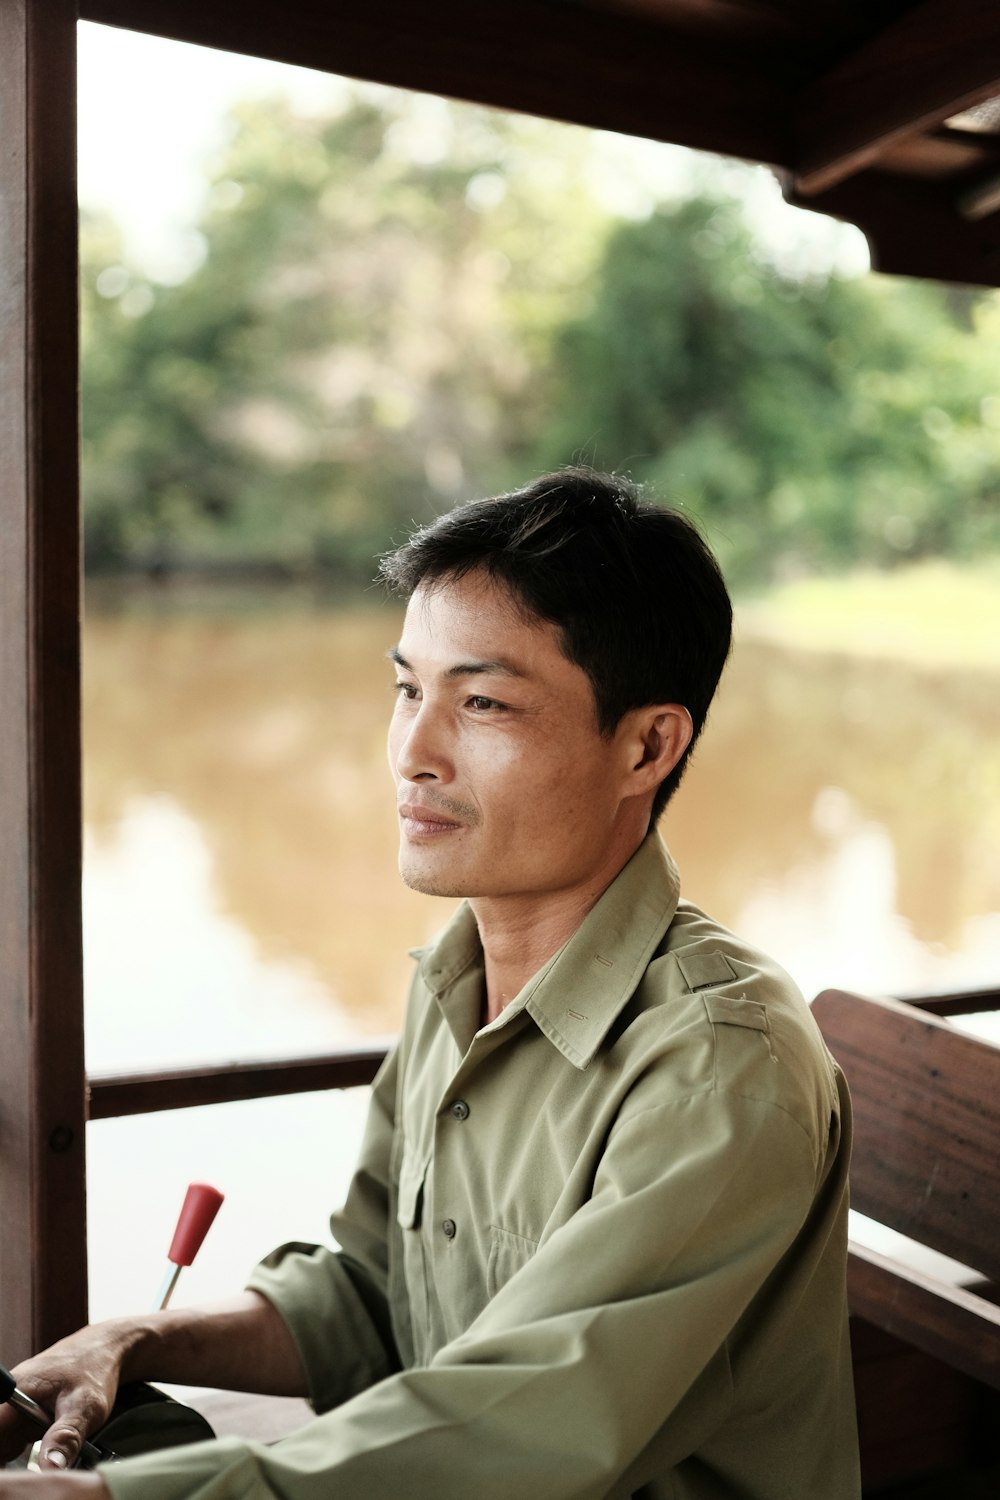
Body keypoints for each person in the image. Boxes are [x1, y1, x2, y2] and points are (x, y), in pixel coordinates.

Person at [0, 469, 860, 1499]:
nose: (412, 752)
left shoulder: (720, 1067)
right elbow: (372, 1297)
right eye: (409, 689)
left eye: (483, 702)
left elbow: (518, 1429)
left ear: (645, 745)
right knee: (112, 1426)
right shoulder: (457, 976)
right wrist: (129, 1341)